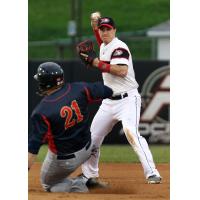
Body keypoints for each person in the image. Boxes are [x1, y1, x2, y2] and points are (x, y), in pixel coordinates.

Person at [79, 14, 162, 186]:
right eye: (102, 29)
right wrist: (95, 24)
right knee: (92, 137)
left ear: (114, 30)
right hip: (108, 101)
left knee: (130, 131)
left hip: (128, 99)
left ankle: (152, 173)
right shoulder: (103, 45)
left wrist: (95, 62)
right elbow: (101, 41)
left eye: (108, 29)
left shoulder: (119, 47)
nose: (104, 32)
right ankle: (89, 175)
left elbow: (121, 70)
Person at [28, 62, 113, 193]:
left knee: (49, 185)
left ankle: (83, 184)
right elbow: (107, 91)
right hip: (88, 149)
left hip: (64, 161)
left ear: (44, 83)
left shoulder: (42, 111)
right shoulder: (79, 88)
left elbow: (33, 148)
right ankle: (86, 180)